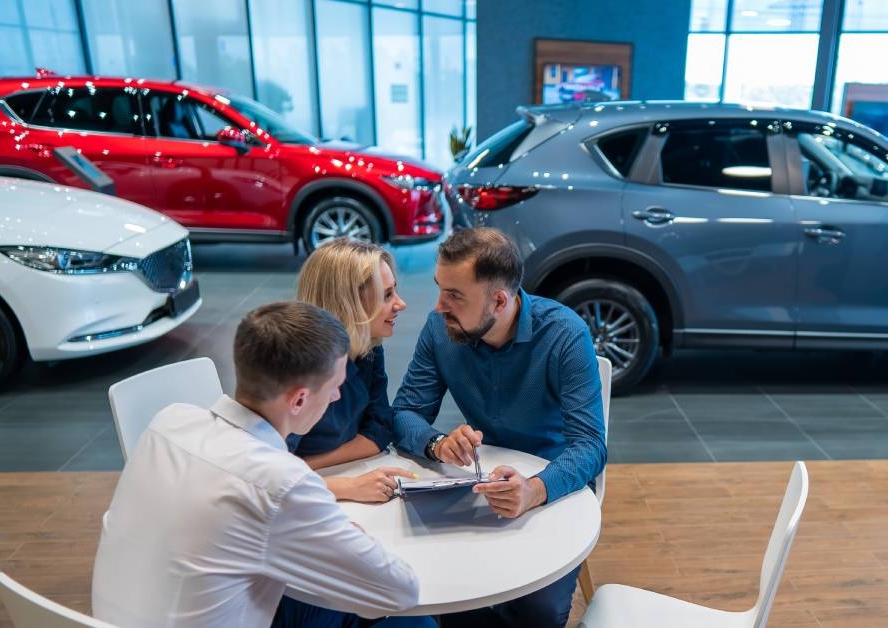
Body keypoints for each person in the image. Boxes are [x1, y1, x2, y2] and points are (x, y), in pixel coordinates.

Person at [92, 301, 419, 627]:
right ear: (299, 399)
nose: (336, 397)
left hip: (114, 618)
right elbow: (399, 592)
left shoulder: (168, 422)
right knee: (413, 623)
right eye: (334, 387)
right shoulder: (280, 482)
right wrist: (346, 536)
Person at [392, 227, 607, 628]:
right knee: (447, 594)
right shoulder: (441, 328)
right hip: (473, 482)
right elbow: (404, 412)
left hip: (552, 486)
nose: (439, 306)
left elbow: (591, 446)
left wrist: (534, 489)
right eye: (440, 288)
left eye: (455, 295)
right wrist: (438, 443)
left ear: (500, 300)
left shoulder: (563, 334)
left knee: (537, 613)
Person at [272, 240, 432, 628]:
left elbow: (379, 430)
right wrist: (347, 485)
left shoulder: (368, 348)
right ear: (349, 304)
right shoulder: (294, 374)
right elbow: (269, 482)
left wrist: (308, 467)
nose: (402, 304)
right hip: (291, 558)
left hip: (319, 495)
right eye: (388, 295)